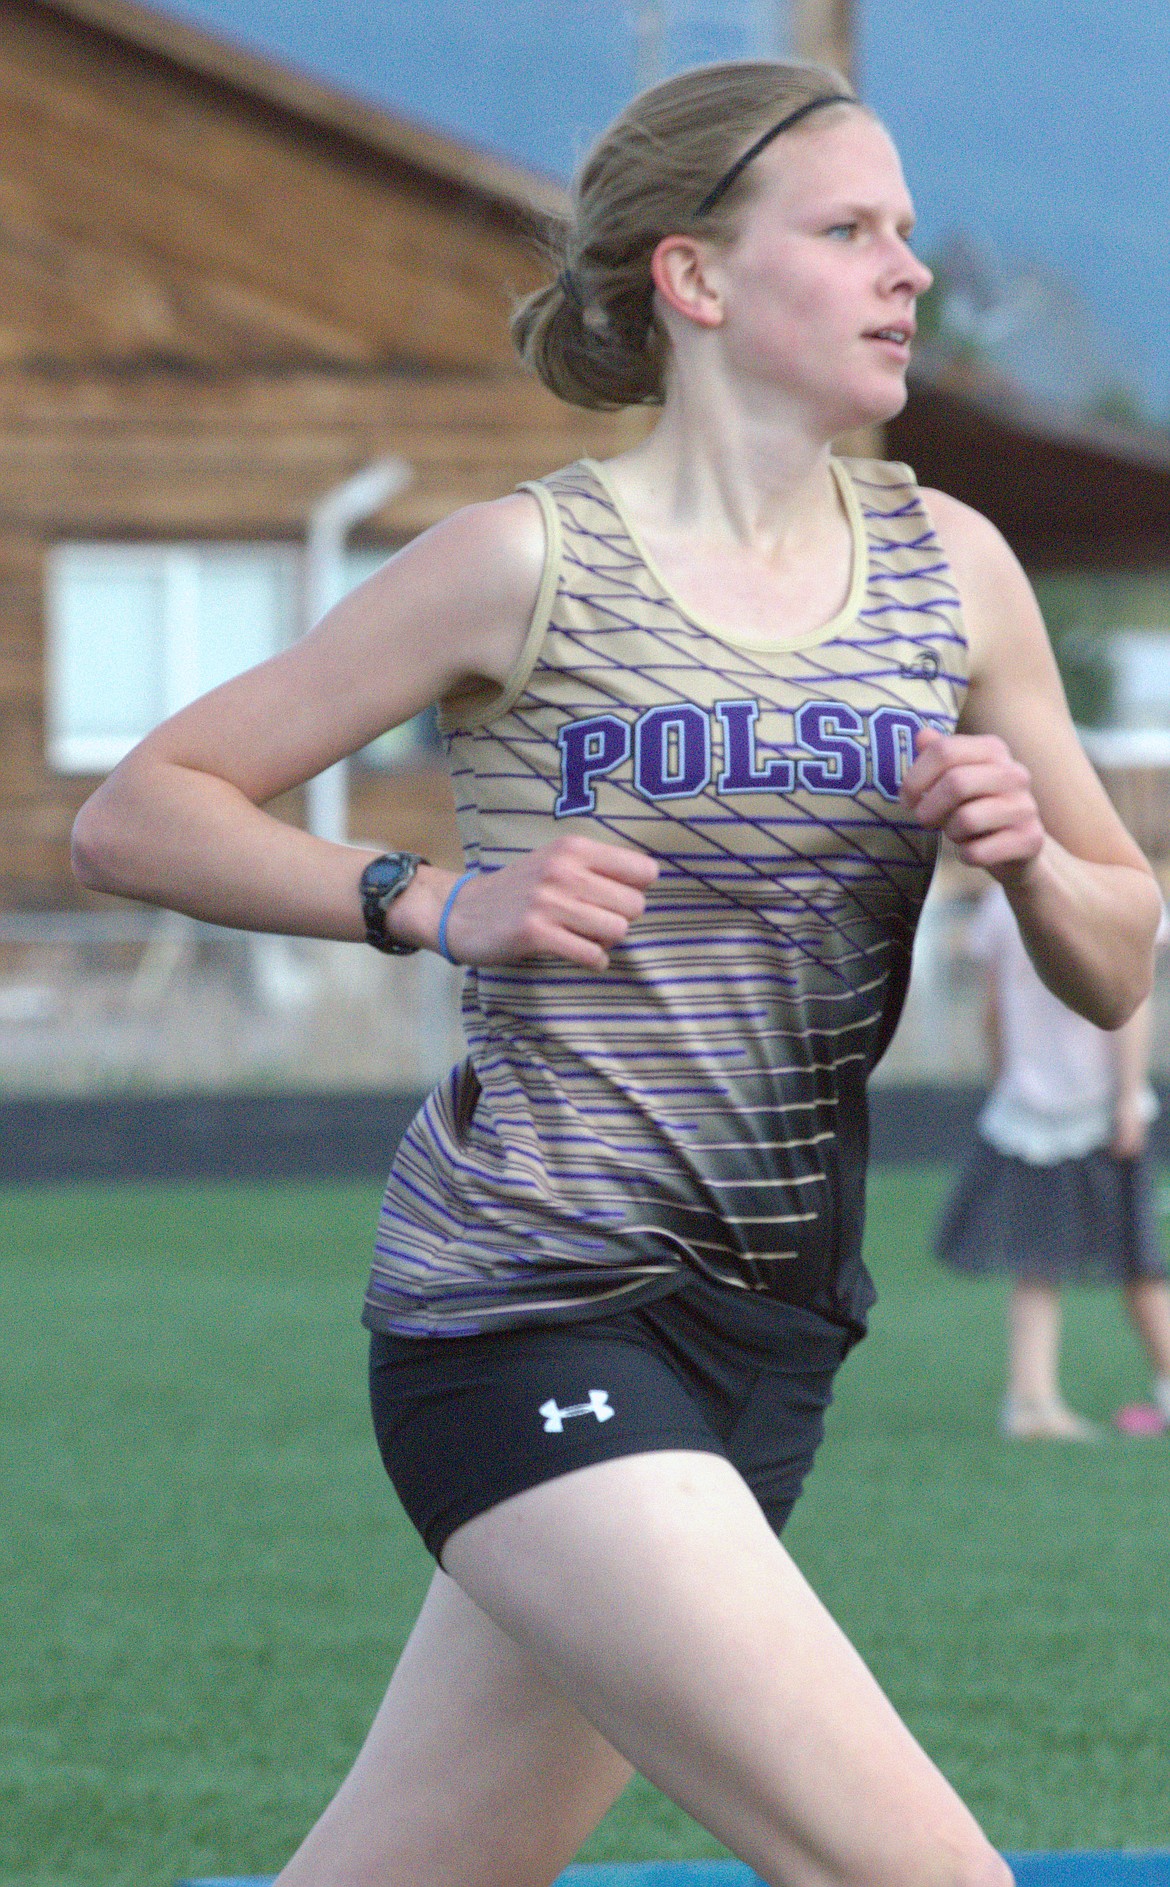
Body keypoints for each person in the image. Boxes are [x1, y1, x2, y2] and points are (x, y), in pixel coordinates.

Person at [71, 60, 1161, 1887]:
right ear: (696, 278)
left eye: (908, 231)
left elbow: (1120, 953)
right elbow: (139, 808)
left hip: (774, 1336)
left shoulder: (954, 571)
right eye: (851, 230)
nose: (911, 273)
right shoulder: (524, 560)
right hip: (529, 1314)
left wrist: (1033, 853)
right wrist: (428, 897)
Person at [936, 882, 1170, 1441]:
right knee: (1136, 1259)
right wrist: (1127, 1096)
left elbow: (992, 1011)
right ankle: (1036, 1400)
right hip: (1095, 1102)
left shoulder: (1001, 902)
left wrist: (1004, 1082)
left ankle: (1031, 1398)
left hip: (1032, 1108)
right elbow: (1132, 1001)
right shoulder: (1117, 892)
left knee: (1039, 1259)